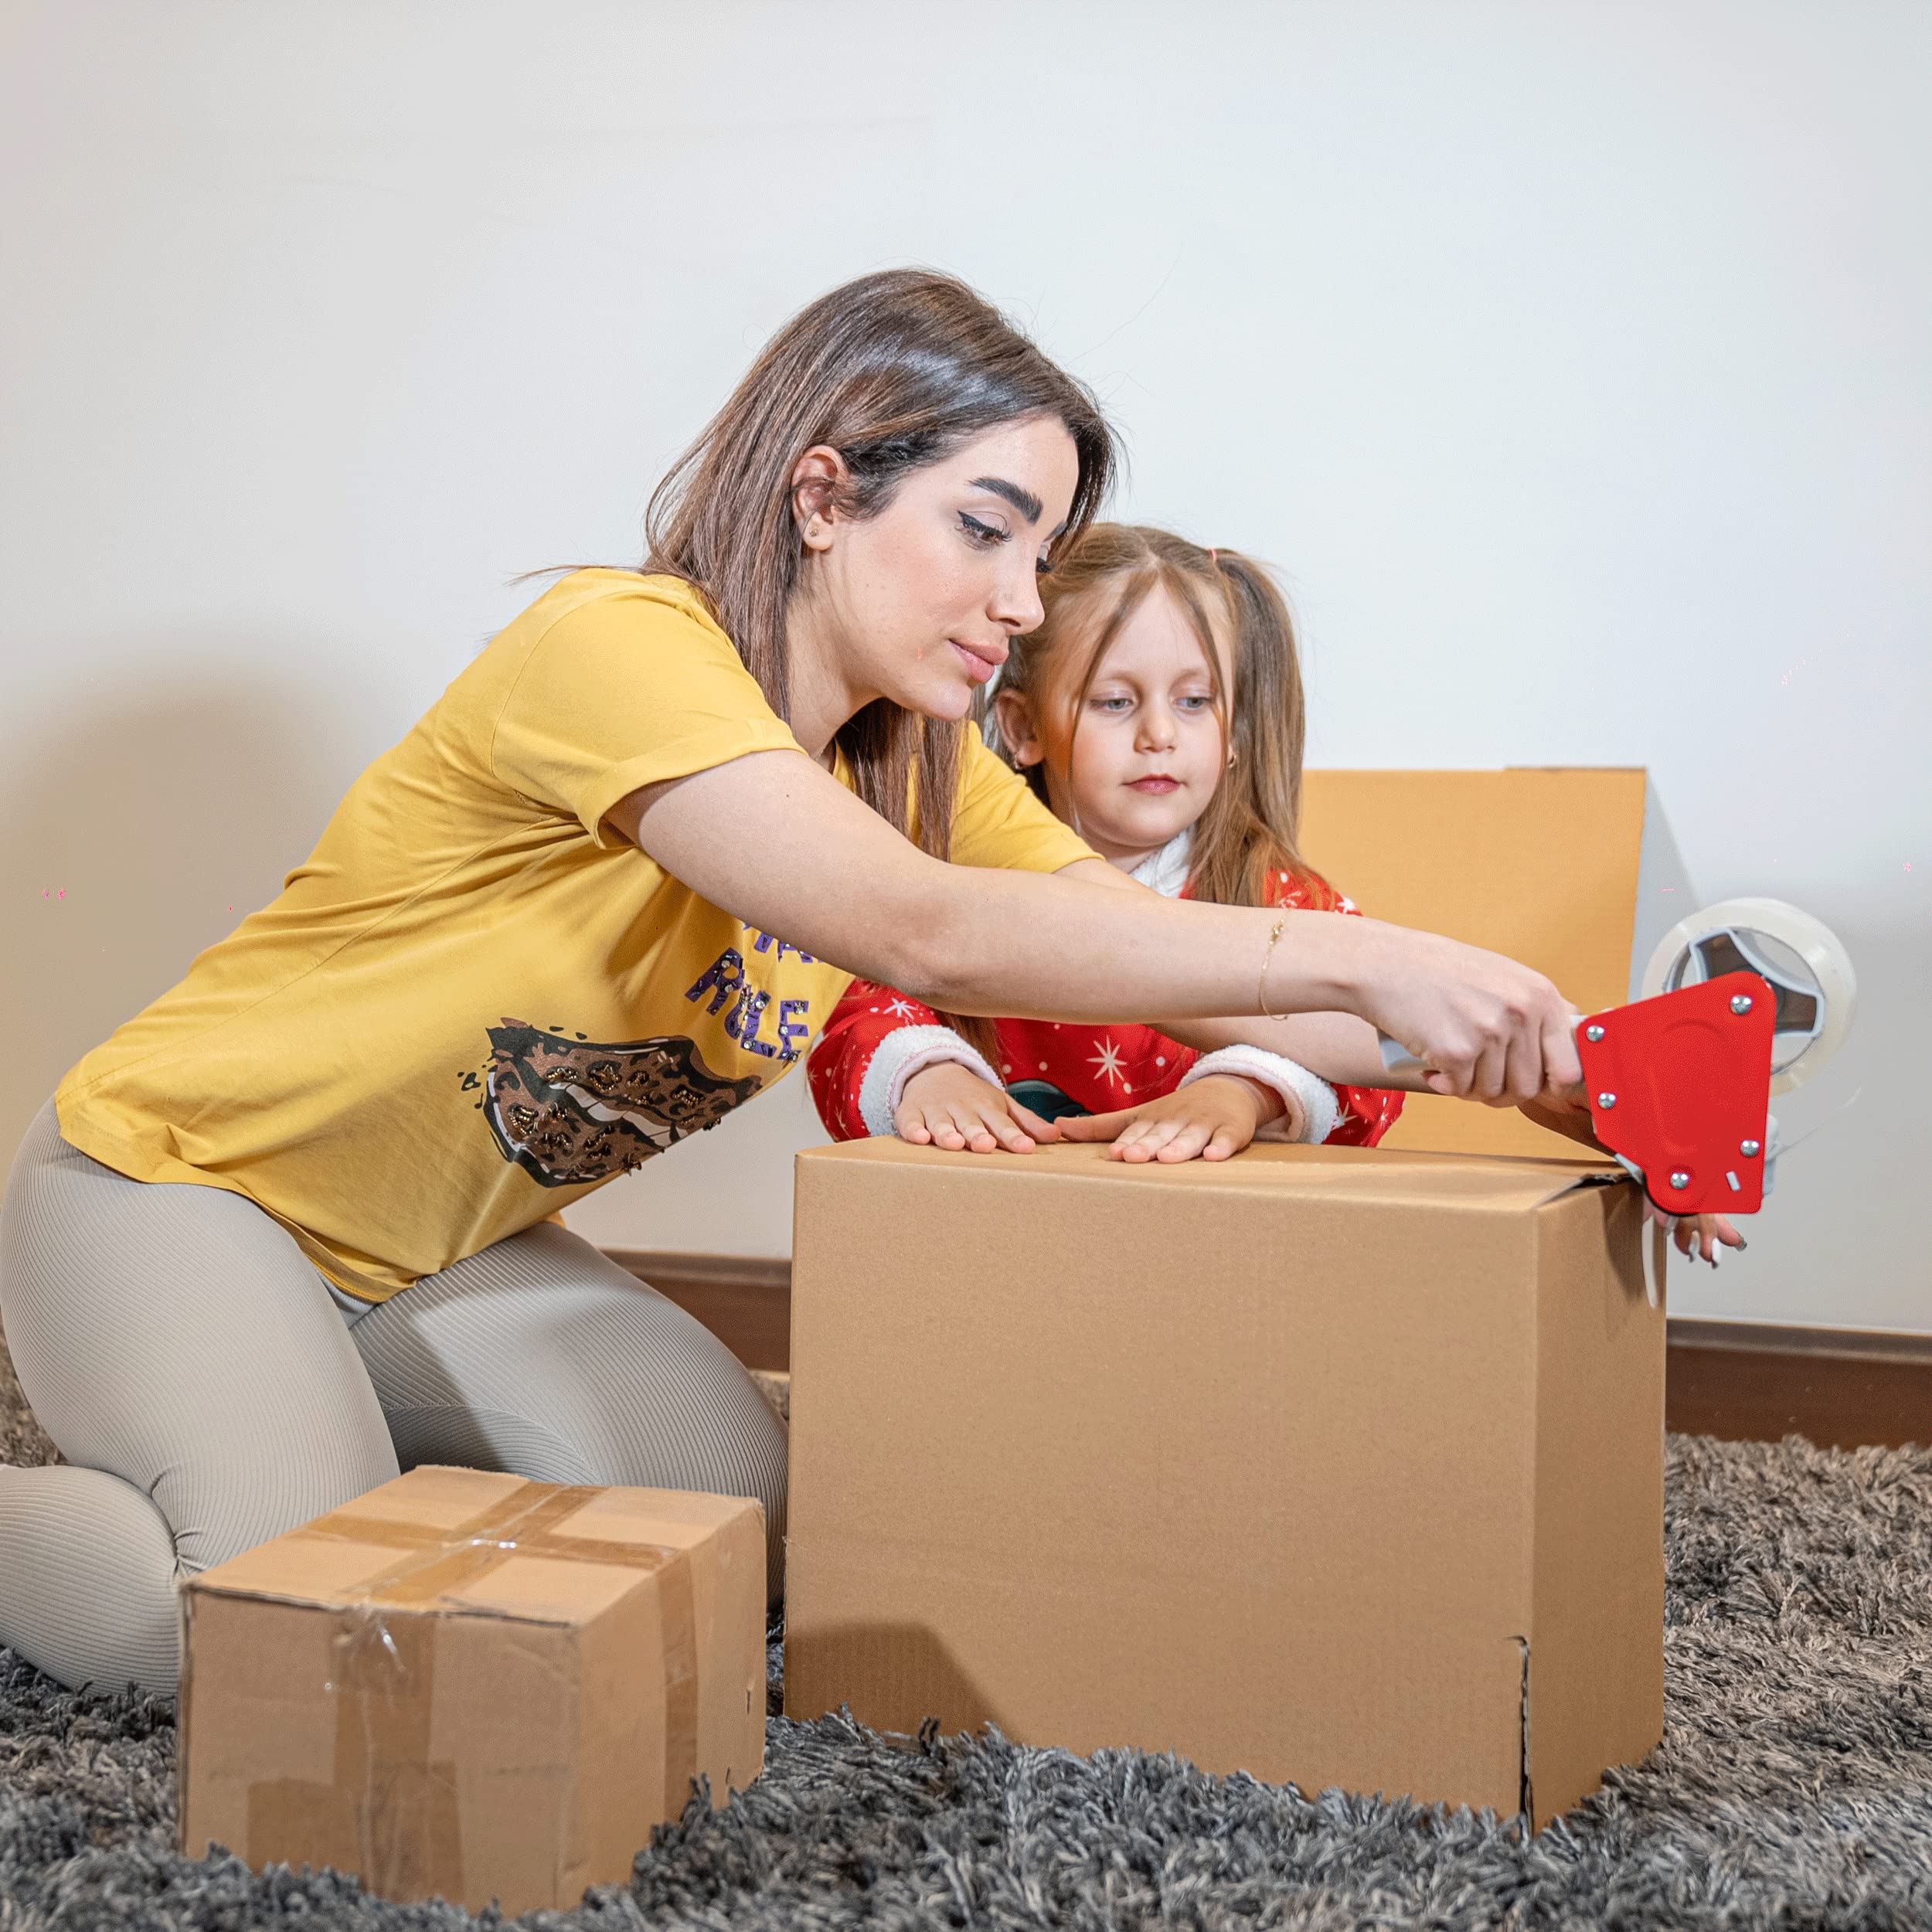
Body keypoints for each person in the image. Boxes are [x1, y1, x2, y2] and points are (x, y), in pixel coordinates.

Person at [0, 270, 1582, 1698]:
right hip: (175, 1191)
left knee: (743, 1515)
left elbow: (1197, 983)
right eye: (984, 526)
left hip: (426, 1255)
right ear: (821, 495)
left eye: (1038, 549)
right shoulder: (615, 647)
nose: (1024, 601)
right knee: (258, 1629)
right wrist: (1375, 948)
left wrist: (1575, 1069)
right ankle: (218, 1466)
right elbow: (926, 933)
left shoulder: (910, 767)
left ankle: (293, 1427)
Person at [809, 523, 1408, 1160]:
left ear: (1235, 732)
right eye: (1116, 702)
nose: (1159, 734)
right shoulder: (961, 884)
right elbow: (849, 1009)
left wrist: (1246, 1092)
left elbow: (1375, 1065)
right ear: (1022, 727)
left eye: (1195, 701)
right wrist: (928, 1071)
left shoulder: (1285, 901)